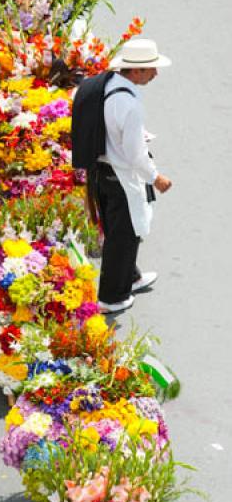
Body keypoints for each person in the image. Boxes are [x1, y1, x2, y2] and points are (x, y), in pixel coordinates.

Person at [94, 38, 172, 314]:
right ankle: (112, 297)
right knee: (122, 236)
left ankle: (131, 276)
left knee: (125, 232)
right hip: (121, 178)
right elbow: (135, 154)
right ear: (136, 71)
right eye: (152, 68)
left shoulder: (109, 87)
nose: (156, 73)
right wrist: (156, 177)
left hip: (103, 173)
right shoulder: (130, 105)